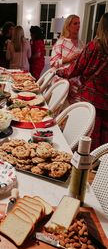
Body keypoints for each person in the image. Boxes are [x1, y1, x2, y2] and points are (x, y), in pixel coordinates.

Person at [56, 12, 108, 151]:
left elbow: (75, 69)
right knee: (105, 137)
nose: (79, 26)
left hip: (92, 95)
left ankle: (87, 165)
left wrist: (59, 72)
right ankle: (102, 163)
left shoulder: (95, 46)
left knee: (89, 135)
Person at [50, 14, 84, 103]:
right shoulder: (61, 42)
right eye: (75, 23)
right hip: (62, 81)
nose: (78, 26)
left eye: (79, 23)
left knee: (74, 109)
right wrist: (68, 59)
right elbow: (53, 63)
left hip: (77, 82)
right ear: (68, 26)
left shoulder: (81, 44)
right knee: (60, 108)